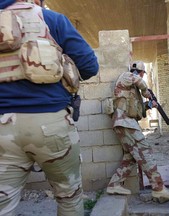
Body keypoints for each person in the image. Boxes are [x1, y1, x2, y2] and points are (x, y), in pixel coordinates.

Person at [0, 0, 99, 215]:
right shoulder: (51, 19)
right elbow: (90, 66)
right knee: (69, 197)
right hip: (50, 124)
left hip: (2, 131)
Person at [106, 60, 169, 203]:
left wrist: (149, 104)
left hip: (127, 123)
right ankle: (158, 188)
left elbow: (137, 111)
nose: (143, 76)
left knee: (131, 157)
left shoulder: (132, 90)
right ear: (141, 72)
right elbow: (137, 80)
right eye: (143, 73)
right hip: (125, 122)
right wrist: (146, 92)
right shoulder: (127, 76)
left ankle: (114, 185)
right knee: (144, 151)